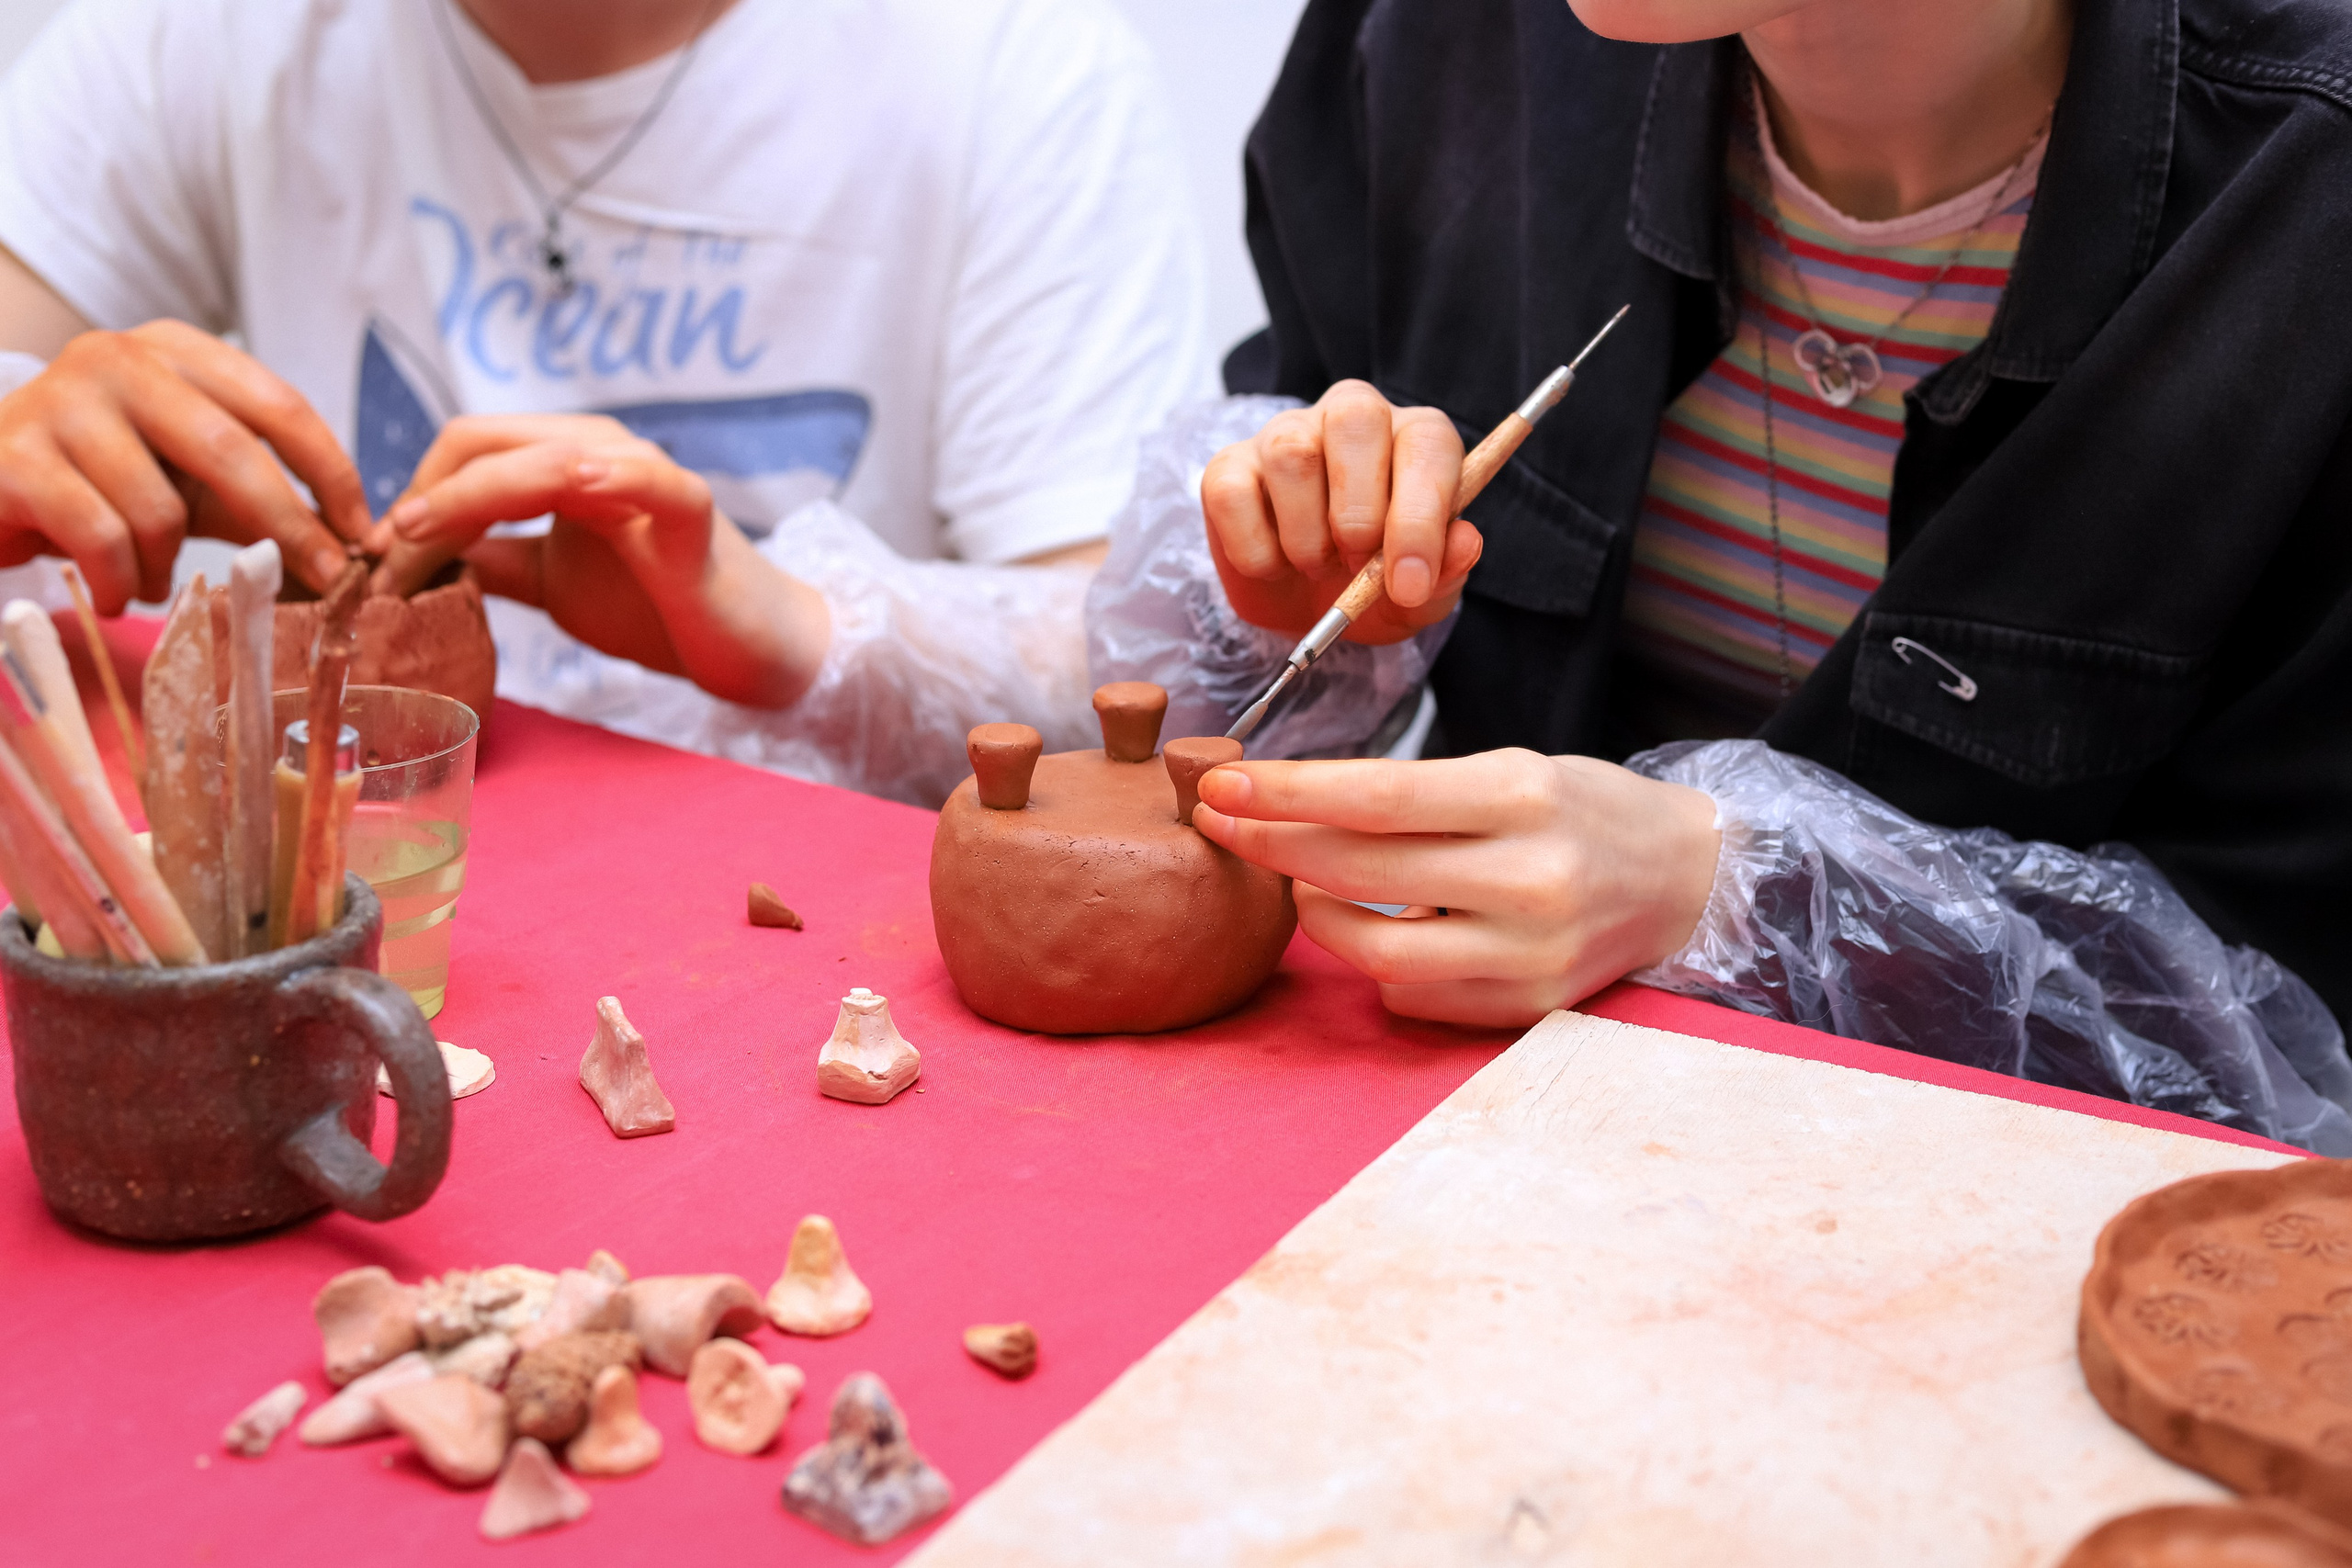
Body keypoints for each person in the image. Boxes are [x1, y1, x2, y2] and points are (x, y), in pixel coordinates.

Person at [1191, 0, 2352, 1134]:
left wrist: (1745, 899)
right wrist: (1315, 608)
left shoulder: (2311, 182)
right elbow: (1218, 685)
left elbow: (2299, 1055)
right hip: (1472, 1154)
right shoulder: (1431, 40)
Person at [0, 0, 1202, 715]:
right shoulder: (199, 37)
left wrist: (795, 624)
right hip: (371, 866)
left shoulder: (1006, 64)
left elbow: (1127, 683)